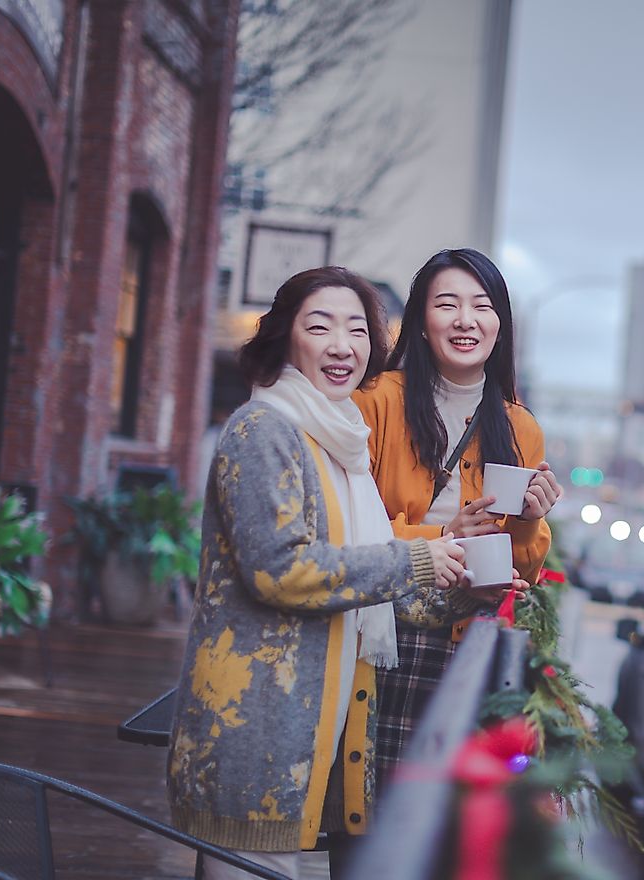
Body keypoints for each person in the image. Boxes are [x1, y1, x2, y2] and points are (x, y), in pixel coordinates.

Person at [166, 266, 482, 880]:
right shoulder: (264, 430)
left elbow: (364, 593)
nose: (344, 345)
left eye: (358, 330)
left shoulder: (339, 443)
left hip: (309, 731)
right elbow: (280, 571)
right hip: (253, 728)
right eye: (321, 326)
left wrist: (466, 591)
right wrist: (419, 556)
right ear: (287, 337)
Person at [353, 247, 562, 771]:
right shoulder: (376, 399)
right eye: (447, 304)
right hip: (381, 636)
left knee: (439, 830)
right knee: (365, 819)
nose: (465, 320)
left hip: (465, 643)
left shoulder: (520, 427)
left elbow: (526, 568)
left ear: (500, 326)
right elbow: (347, 530)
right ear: (422, 322)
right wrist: (442, 535)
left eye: (482, 306)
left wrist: (531, 519)